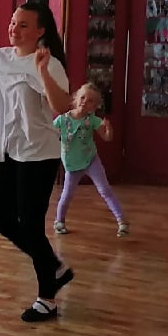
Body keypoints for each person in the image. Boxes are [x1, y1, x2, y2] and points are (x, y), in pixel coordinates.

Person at [0, 0, 74, 323]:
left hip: (39, 153)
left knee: (32, 225)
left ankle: (47, 299)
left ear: (40, 31)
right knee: (2, 219)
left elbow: (62, 106)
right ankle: (54, 266)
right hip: (8, 149)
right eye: (13, 22)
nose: (14, 29)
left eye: (24, 25)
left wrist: (42, 72)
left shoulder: (49, 62)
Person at [53, 82, 128, 237]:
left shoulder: (92, 120)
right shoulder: (62, 120)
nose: (84, 102)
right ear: (76, 98)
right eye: (82, 98)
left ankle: (122, 221)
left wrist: (109, 129)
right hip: (72, 164)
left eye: (90, 101)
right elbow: (49, 133)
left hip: (90, 160)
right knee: (67, 194)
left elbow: (107, 137)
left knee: (105, 190)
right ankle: (59, 221)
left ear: (94, 106)